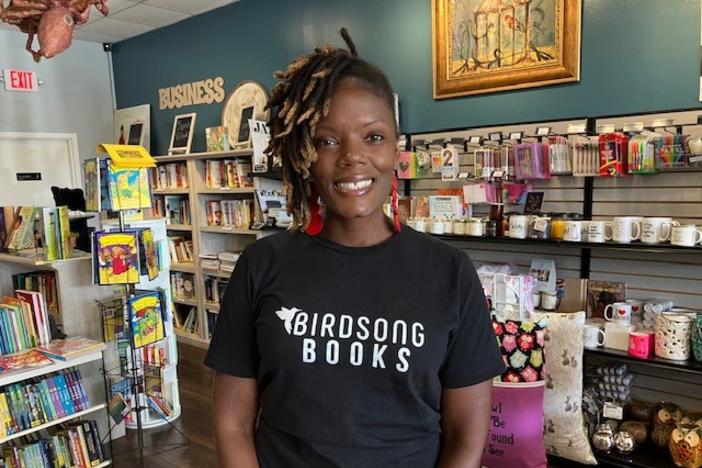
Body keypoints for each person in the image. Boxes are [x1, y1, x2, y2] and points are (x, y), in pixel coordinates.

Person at [205, 28, 505, 468]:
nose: (352, 157)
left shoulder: (449, 271)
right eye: (327, 141)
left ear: (396, 149)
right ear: (304, 153)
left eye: (373, 136)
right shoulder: (261, 265)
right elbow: (232, 425)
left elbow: (465, 438)